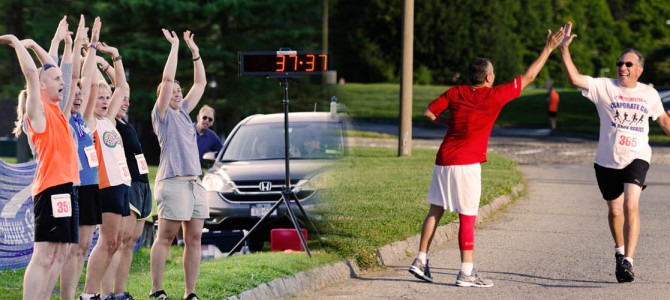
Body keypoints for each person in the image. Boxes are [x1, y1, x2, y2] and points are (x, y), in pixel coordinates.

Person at [407, 26, 564, 287]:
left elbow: (428, 113)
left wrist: (450, 124)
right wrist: (548, 48)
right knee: (467, 216)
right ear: (489, 77)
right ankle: (466, 273)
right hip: (467, 164)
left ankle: (420, 260)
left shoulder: (455, 92)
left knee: (436, 209)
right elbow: (529, 76)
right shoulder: (494, 96)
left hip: (444, 159)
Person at [558, 21, 670, 283]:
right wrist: (564, 50)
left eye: (628, 64)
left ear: (639, 70)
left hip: (637, 157)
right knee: (615, 210)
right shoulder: (603, 87)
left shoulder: (649, 94)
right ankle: (619, 252)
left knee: (631, 204)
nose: (622, 67)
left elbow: (664, 122)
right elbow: (574, 78)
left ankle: (629, 261)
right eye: (620, 63)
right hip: (607, 160)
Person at [2, 31, 80, 299]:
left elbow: (53, 71)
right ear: (41, 85)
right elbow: (32, 74)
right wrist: (14, 41)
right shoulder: (39, 110)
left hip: (66, 187)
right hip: (51, 188)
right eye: (55, 80)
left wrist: (36, 45)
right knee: (45, 254)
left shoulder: (57, 108)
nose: (62, 82)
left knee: (61, 251)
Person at [150, 28, 207, 300]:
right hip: (172, 181)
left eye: (178, 90)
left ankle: (190, 293)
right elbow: (167, 76)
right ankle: (156, 290)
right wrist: (174, 47)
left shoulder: (184, 112)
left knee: (194, 238)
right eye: (171, 90)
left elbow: (201, 85)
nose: (176, 91)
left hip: (195, 183)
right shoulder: (161, 115)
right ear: (162, 95)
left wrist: (194, 52)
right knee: (166, 236)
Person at [80, 26, 133, 300]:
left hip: (122, 183)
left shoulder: (110, 120)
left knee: (117, 242)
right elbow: (89, 84)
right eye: (99, 97)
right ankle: (89, 294)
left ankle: (105, 292)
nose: (104, 101)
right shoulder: (90, 122)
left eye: (105, 97)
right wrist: (87, 52)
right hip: (106, 185)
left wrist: (115, 57)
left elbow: (122, 88)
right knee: (107, 241)